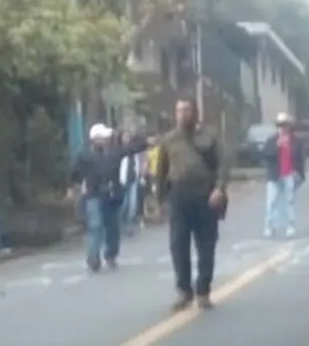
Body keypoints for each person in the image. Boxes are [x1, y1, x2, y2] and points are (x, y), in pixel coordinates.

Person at [156, 99, 230, 311]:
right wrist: (160, 200)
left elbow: (222, 164)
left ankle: (203, 290)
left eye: (187, 110)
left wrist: (219, 188)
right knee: (179, 246)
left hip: (206, 196)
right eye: (179, 110)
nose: (182, 114)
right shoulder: (169, 139)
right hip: (179, 197)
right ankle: (184, 291)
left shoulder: (210, 135)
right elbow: (161, 172)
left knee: (206, 245)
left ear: (195, 112)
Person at [69, 123, 151, 272]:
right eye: (104, 137)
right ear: (95, 139)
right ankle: (93, 258)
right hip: (93, 195)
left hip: (112, 195)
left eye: (107, 137)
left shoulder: (114, 152)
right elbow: (75, 173)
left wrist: (147, 143)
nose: (107, 139)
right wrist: (74, 188)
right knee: (95, 225)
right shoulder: (84, 156)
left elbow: (131, 149)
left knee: (112, 227)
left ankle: (111, 254)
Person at [261, 113, 305, 238]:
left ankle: (290, 226)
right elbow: (266, 155)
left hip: (290, 175)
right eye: (280, 125)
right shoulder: (272, 140)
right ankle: (269, 226)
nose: (283, 128)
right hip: (275, 175)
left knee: (289, 202)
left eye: (285, 125)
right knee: (271, 202)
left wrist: (301, 175)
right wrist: (277, 146)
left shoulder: (295, 141)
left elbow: (300, 159)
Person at [117, 133, 145, 236]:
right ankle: (120, 226)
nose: (127, 139)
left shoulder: (134, 151)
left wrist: (139, 176)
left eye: (128, 137)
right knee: (124, 205)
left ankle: (128, 225)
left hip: (133, 180)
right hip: (123, 181)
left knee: (132, 206)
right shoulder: (120, 151)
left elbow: (138, 164)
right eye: (124, 137)